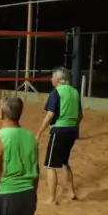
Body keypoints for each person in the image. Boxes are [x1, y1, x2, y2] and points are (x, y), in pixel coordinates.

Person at [35, 66, 82, 205]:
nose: (51, 78)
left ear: (58, 78)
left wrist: (39, 132)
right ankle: (72, 192)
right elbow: (80, 115)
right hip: (72, 130)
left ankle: (51, 198)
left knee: (50, 165)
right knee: (64, 162)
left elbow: (50, 114)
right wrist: (73, 126)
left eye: (52, 76)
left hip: (60, 130)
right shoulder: (75, 92)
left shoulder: (56, 92)